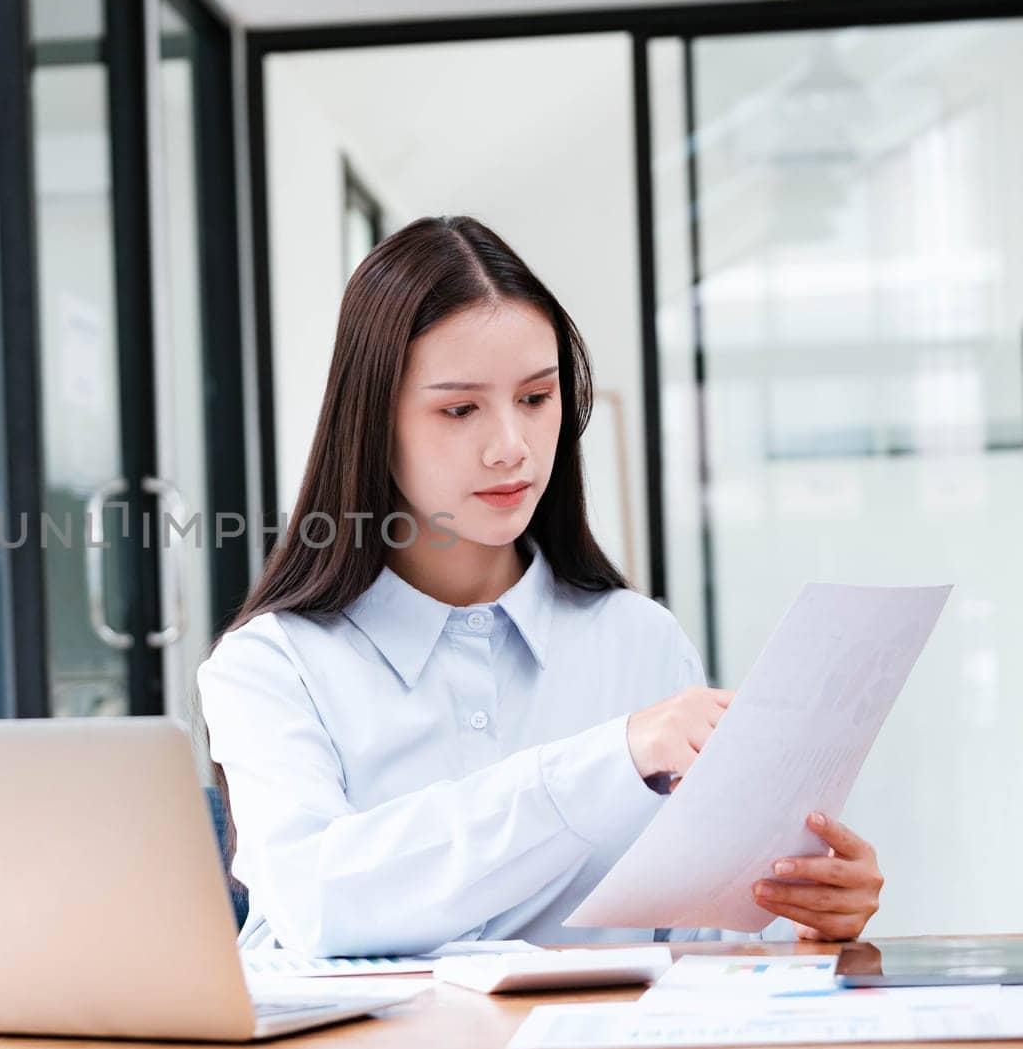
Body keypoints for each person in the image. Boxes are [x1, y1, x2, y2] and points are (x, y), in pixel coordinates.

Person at [195, 215, 883, 957]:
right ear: (372, 422)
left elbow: (700, 941)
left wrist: (806, 910)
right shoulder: (273, 665)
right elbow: (318, 904)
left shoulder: (642, 642)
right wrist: (611, 759)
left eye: (535, 398)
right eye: (460, 409)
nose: (511, 448)